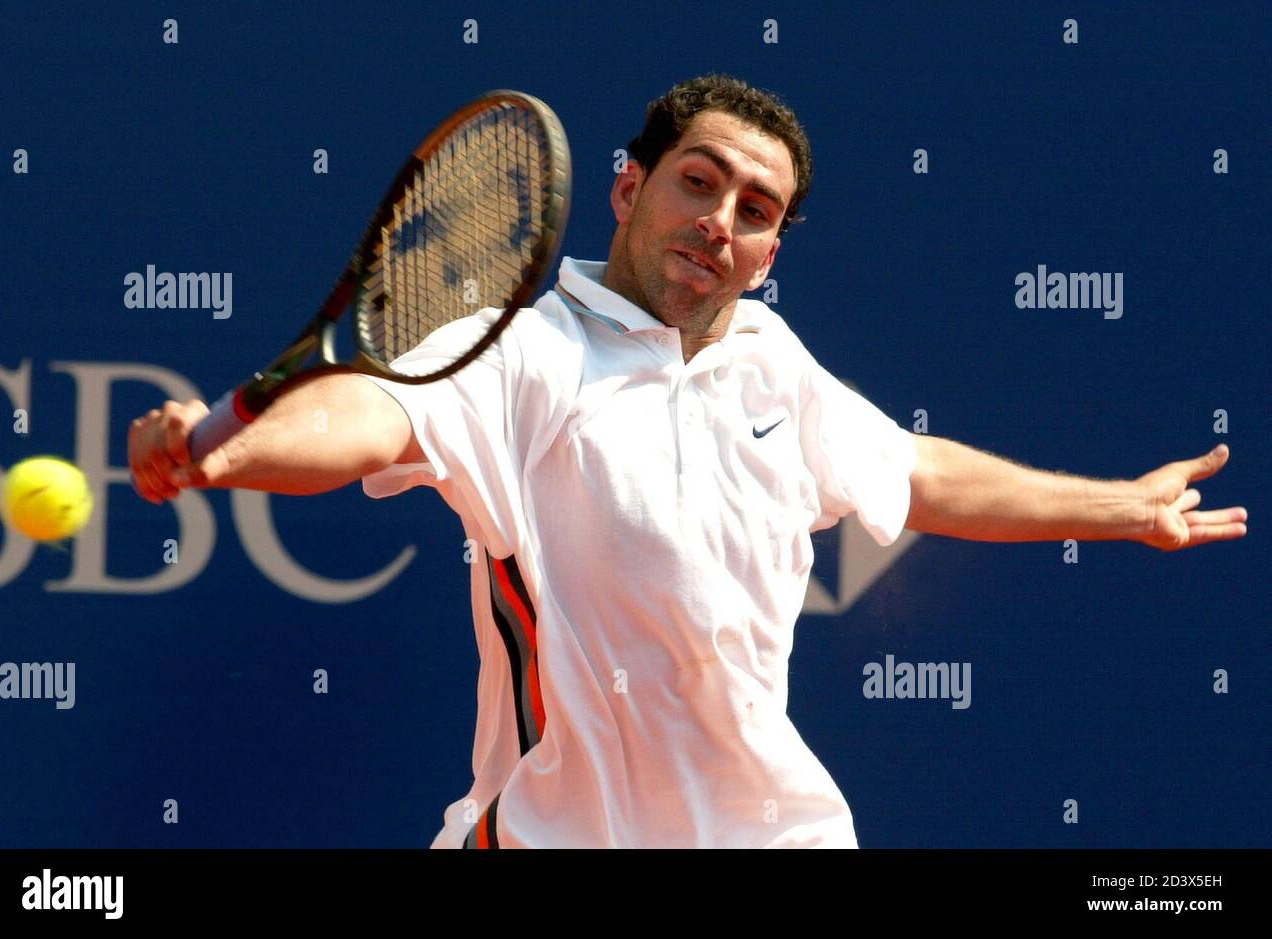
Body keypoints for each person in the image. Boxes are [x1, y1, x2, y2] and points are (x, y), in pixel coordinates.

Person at [128, 74, 1249, 848]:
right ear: (630, 189)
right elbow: (367, 417)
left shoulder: (769, 358)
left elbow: (914, 474)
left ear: (767, 256)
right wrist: (227, 454)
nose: (719, 220)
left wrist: (1118, 507)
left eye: (754, 211)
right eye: (698, 182)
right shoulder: (522, 349)